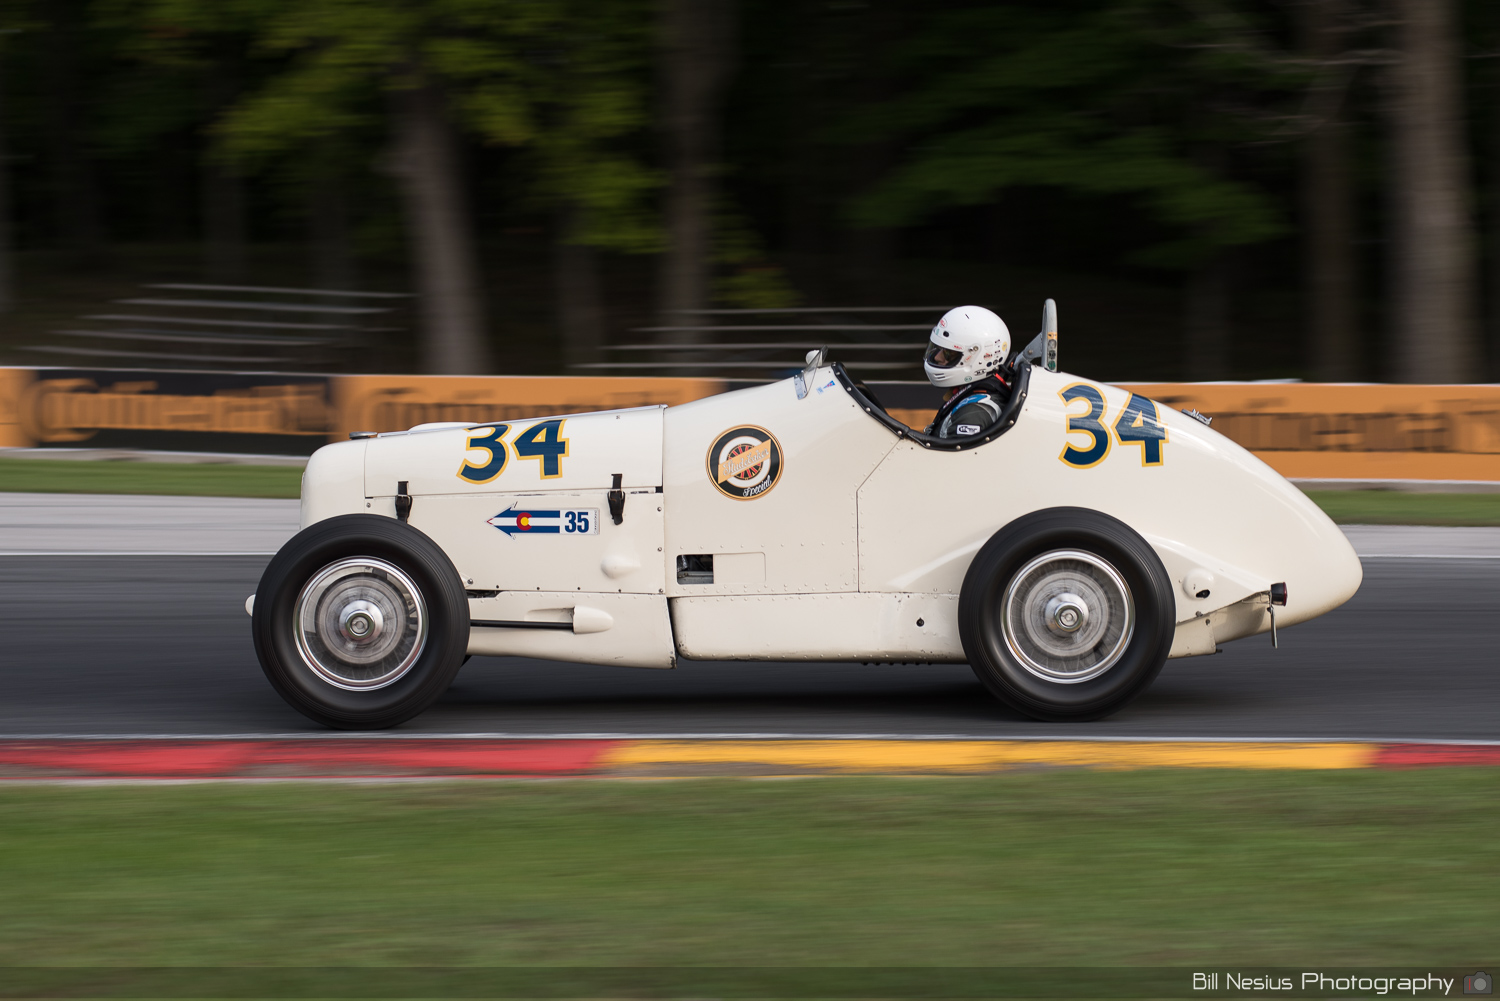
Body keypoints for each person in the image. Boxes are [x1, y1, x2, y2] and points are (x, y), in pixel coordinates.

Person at [922, 305, 1012, 438]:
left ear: (980, 358)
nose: (937, 357)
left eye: (948, 353)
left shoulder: (973, 414)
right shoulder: (970, 397)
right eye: (939, 349)